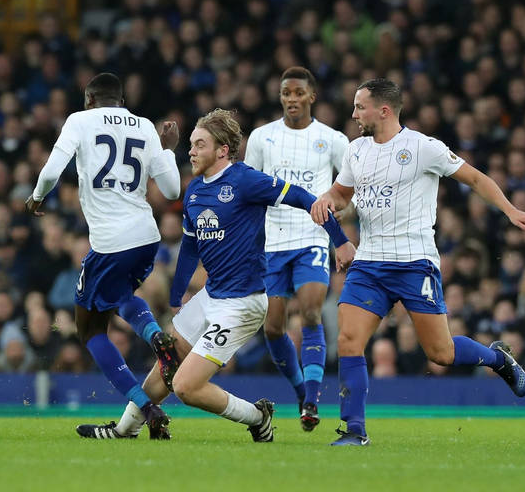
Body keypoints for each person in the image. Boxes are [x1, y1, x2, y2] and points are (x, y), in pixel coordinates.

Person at [78, 108, 355, 441]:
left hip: (243, 304)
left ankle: (257, 416)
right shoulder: (194, 191)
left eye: (199, 144)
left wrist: (339, 241)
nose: (191, 151)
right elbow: (191, 250)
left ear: (223, 149)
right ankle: (125, 429)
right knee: (166, 367)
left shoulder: (246, 180)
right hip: (210, 297)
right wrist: (178, 296)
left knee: (185, 387)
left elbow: (303, 197)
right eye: (191, 145)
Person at [311, 78, 525, 446]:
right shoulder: (355, 150)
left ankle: (498, 359)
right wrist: (328, 198)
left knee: (441, 353)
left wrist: (510, 210)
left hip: (414, 263)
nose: (353, 114)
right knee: (350, 340)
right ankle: (354, 429)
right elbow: (343, 192)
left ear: (383, 110)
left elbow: (475, 178)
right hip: (369, 264)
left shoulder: (423, 148)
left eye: (360, 107)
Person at [27, 72, 182, 433]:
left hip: (111, 242)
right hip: (146, 236)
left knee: (90, 329)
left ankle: (145, 407)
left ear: (89, 100)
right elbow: (173, 190)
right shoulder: (144, 126)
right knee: (121, 295)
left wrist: (36, 196)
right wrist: (168, 150)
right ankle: (155, 335)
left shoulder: (79, 121)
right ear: (122, 102)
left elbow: (51, 171)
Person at [244, 66, 349, 431]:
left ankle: (311, 400)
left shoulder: (333, 139)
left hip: (312, 238)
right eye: (286, 92)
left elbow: (349, 189)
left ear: (311, 96)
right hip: (274, 244)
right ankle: (301, 387)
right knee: (272, 328)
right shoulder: (261, 137)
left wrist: (336, 207)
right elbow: (249, 189)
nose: (291, 99)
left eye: (298, 92)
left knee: (309, 313)